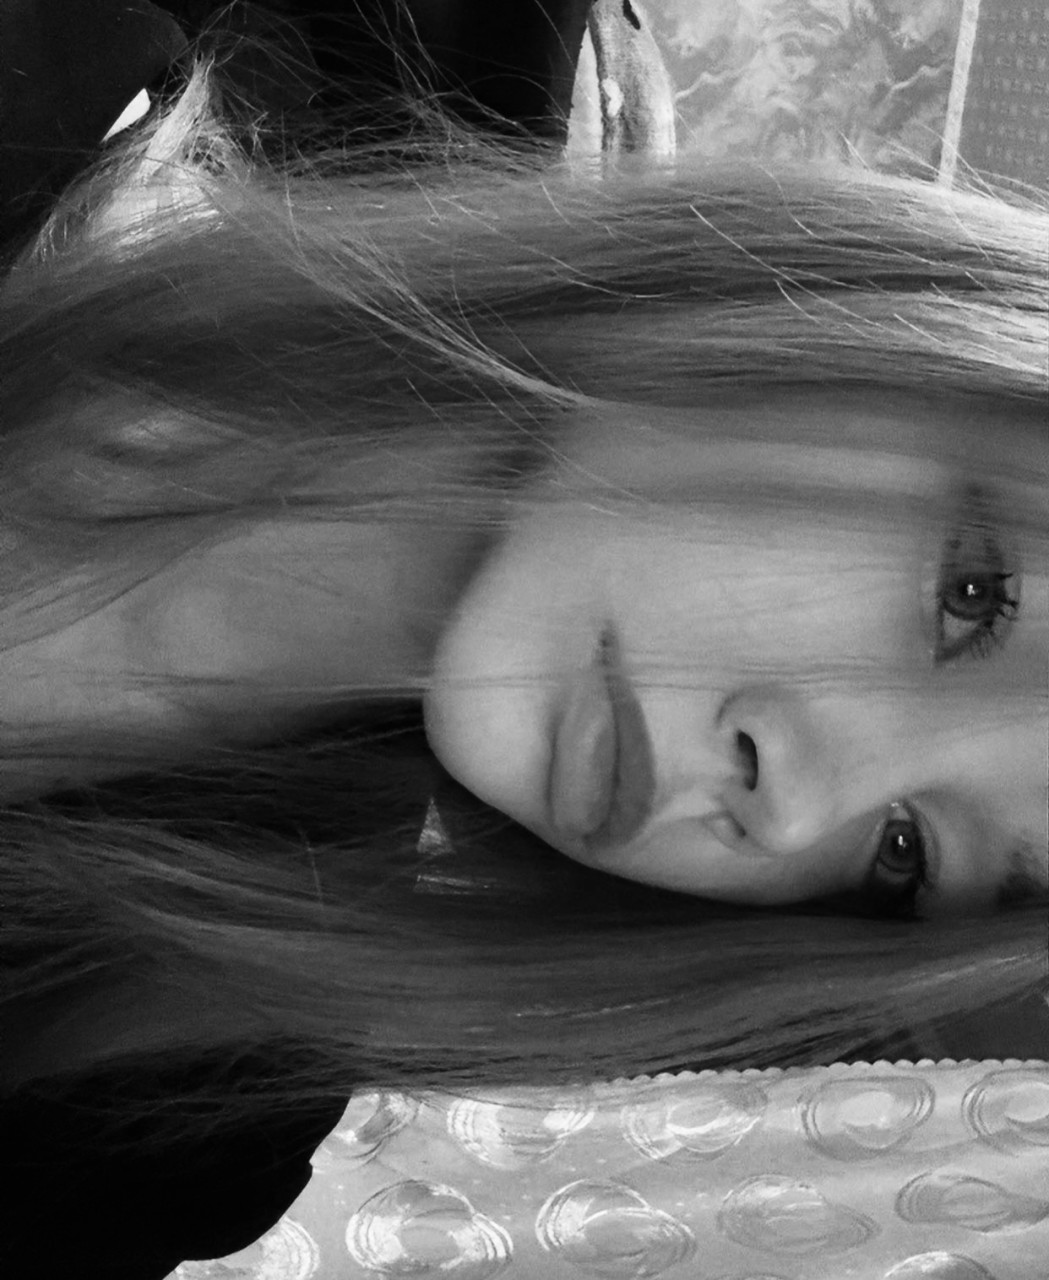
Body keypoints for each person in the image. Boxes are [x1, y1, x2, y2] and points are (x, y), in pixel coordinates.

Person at [0, 13, 1046, 1278]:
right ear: (875, 324)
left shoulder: (163, 1119)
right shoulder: (97, 69)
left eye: (905, 855)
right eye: (970, 595)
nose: (791, 811)